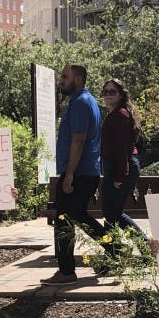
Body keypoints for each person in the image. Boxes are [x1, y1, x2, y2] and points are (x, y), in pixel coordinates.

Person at [41, 64, 108, 286]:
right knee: (77, 215)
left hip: (79, 172)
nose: (61, 80)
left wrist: (69, 173)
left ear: (78, 79)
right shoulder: (86, 101)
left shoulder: (80, 103)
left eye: (65, 77)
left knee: (63, 220)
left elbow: (78, 140)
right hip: (84, 171)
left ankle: (67, 271)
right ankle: (115, 247)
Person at [99, 78, 146, 240]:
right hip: (119, 166)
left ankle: (145, 246)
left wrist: (120, 176)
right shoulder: (118, 113)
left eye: (112, 92)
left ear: (120, 94)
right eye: (105, 92)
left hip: (120, 168)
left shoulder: (119, 115)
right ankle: (113, 252)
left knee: (113, 213)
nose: (108, 95)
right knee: (111, 214)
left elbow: (121, 148)